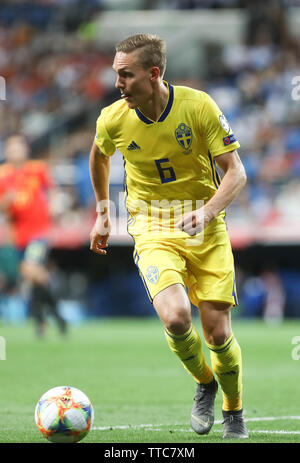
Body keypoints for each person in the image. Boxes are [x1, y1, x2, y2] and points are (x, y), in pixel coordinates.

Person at [89, 34, 248, 439]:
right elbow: (99, 155)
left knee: (218, 333)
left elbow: (236, 172)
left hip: (205, 225)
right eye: (116, 74)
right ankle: (204, 381)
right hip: (152, 226)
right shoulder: (112, 118)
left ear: (153, 73)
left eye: (126, 75)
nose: (117, 83)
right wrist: (104, 212)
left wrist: (208, 211)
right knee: (176, 317)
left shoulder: (199, 106)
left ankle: (233, 410)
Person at [0, 134, 67, 337]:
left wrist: (56, 205)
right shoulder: (3, 175)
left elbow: (54, 191)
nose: (15, 151)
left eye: (18, 147)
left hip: (40, 232)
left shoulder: (38, 169)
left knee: (31, 270)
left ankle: (42, 320)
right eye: (11, 148)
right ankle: (55, 317)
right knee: (36, 277)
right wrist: (7, 200)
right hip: (19, 236)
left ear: (26, 150)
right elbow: (2, 209)